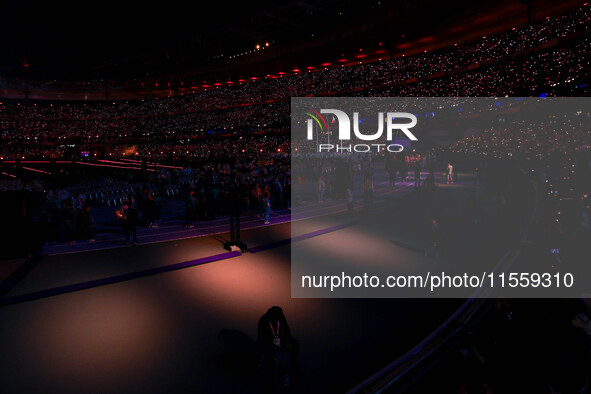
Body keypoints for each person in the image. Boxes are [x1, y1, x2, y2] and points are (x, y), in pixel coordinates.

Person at [257, 306, 299, 389]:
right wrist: (272, 341)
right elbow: (261, 338)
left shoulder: (280, 316)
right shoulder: (264, 320)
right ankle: (270, 382)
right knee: (271, 359)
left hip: (278, 339)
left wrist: (282, 340)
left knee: (295, 343)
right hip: (267, 342)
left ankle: (290, 371)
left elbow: (287, 331)